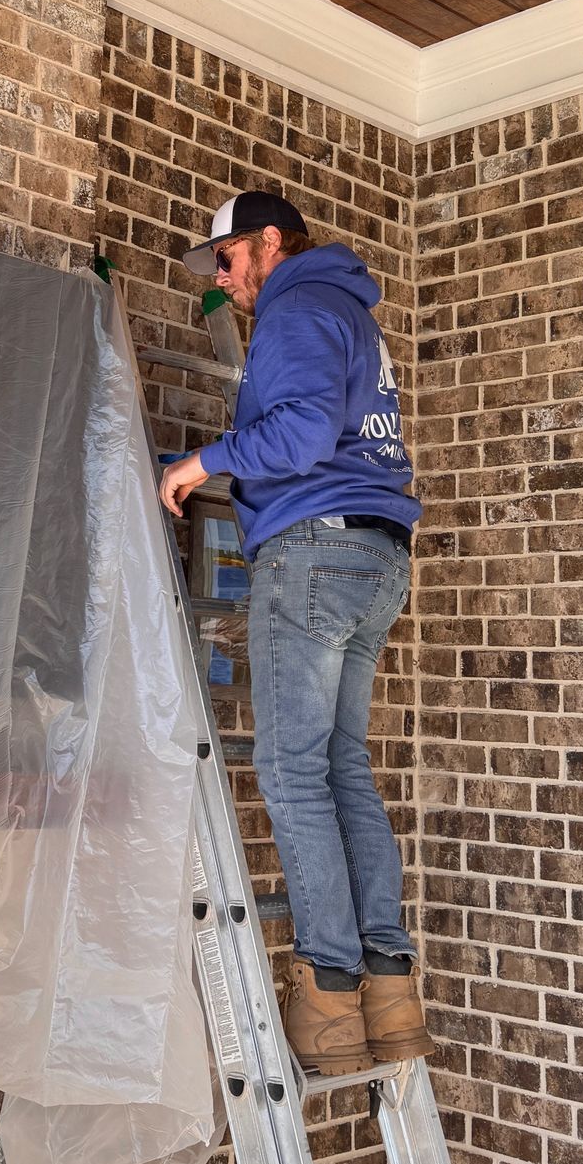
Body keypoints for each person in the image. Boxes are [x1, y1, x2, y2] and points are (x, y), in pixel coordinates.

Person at [159, 190, 433, 1075]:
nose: (226, 282)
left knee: (290, 771)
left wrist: (205, 460)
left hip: (315, 552)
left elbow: (304, 432)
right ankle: (387, 993)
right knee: (339, 765)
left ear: (268, 244)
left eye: (229, 261)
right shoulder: (347, 313)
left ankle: (327, 990)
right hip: (373, 555)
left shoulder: (299, 306)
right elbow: (327, 430)